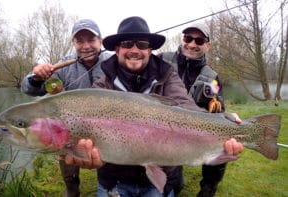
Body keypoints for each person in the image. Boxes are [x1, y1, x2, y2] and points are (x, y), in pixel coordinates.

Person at [64, 16, 243, 197]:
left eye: (142, 44)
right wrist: (85, 153)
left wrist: (220, 121)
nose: (135, 50)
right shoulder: (102, 86)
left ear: (150, 50)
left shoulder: (168, 76)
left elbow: (187, 107)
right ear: (117, 49)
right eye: (127, 43)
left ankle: (208, 187)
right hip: (113, 180)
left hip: (160, 179)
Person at [20, 19, 112, 197]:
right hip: (70, 131)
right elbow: (28, 90)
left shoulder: (113, 62)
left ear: (101, 41)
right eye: (79, 41)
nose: (85, 46)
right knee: (69, 174)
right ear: (73, 44)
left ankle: (108, 187)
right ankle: (72, 190)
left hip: (105, 130)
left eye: (91, 40)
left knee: (108, 169)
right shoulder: (63, 65)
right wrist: (36, 78)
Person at [159, 23, 230, 197]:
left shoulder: (212, 78)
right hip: (161, 128)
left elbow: (218, 107)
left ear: (208, 45)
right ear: (182, 39)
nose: (192, 44)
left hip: (194, 130)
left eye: (199, 40)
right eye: (188, 38)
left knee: (220, 145)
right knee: (172, 186)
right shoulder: (161, 60)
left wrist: (216, 107)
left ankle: (208, 188)